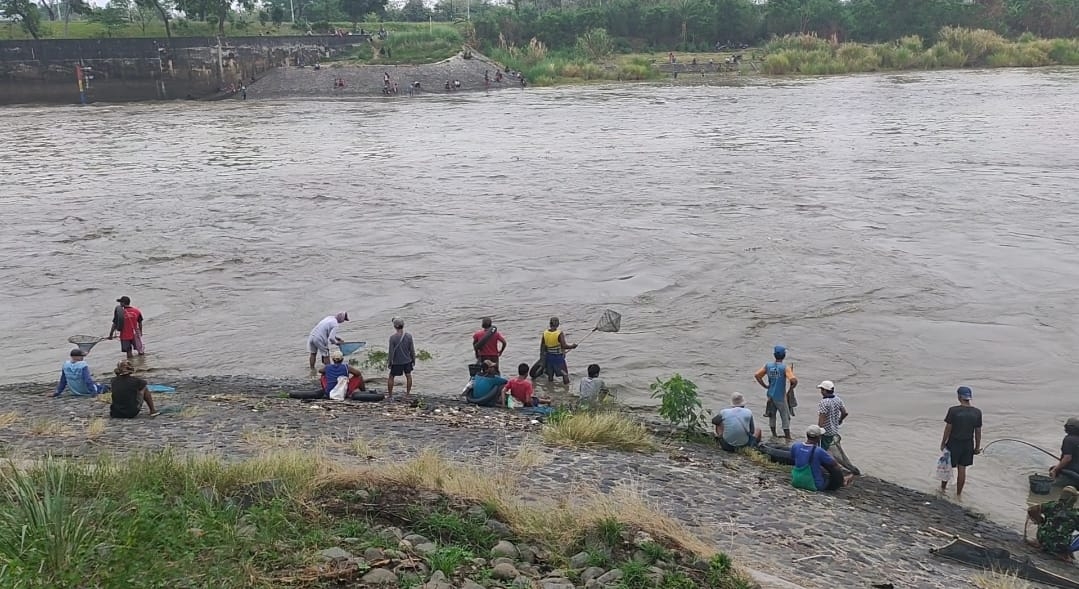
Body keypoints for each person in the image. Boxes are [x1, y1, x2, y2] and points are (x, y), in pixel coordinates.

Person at [940, 385, 983, 496]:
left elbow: (948, 428)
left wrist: (943, 442)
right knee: (962, 469)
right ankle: (958, 494)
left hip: (954, 442)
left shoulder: (953, 410)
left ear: (959, 397)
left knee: (947, 467)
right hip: (968, 444)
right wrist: (977, 447)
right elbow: (978, 432)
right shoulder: (977, 412)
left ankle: (942, 489)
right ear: (969, 398)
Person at [754, 345, 798, 440]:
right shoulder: (785, 368)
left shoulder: (768, 366)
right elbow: (794, 381)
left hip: (770, 395)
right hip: (780, 397)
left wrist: (765, 386)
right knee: (785, 417)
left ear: (774, 355)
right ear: (784, 355)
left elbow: (757, 375)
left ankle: (774, 435)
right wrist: (790, 390)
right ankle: (788, 437)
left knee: (772, 416)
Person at [816, 380, 860, 475]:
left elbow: (822, 418)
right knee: (833, 449)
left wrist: (818, 431)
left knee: (823, 450)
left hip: (825, 432)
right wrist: (840, 420)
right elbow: (845, 413)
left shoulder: (824, 402)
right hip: (834, 430)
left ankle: (827, 468)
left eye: (821, 389)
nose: (821, 391)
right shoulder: (837, 399)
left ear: (824, 390)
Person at [1027, 486, 1079, 560]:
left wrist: (1041, 521)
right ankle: (1065, 554)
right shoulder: (1075, 514)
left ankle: (1042, 543)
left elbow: (1031, 510)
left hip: (1042, 540)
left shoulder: (1052, 505)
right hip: (1060, 546)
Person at [791, 425, 849, 491]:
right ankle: (843, 481)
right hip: (815, 485)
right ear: (819, 437)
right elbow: (835, 465)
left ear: (807, 435)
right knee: (833, 471)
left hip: (796, 481)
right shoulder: (819, 451)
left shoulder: (796, 446)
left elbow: (794, 458)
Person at [541, 317, 577, 385]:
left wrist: (543, 357)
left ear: (550, 324)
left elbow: (543, 346)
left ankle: (550, 389)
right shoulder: (559, 333)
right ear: (558, 324)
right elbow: (564, 346)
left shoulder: (545, 333)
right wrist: (572, 346)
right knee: (565, 374)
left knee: (550, 375)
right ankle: (567, 389)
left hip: (549, 358)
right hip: (558, 358)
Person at [387, 317, 415, 400]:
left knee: (391, 377)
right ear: (403, 325)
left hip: (397, 362)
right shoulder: (409, 336)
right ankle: (407, 394)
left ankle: (390, 395)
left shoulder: (392, 338)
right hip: (407, 361)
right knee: (408, 376)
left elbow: (391, 352)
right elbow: (412, 350)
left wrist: (390, 362)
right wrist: (413, 359)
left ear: (395, 326)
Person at [1050, 417, 1079, 483]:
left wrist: (1054, 470)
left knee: (1052, 470)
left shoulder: (1068, 439)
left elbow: (1067, 458)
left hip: (1074, 473)